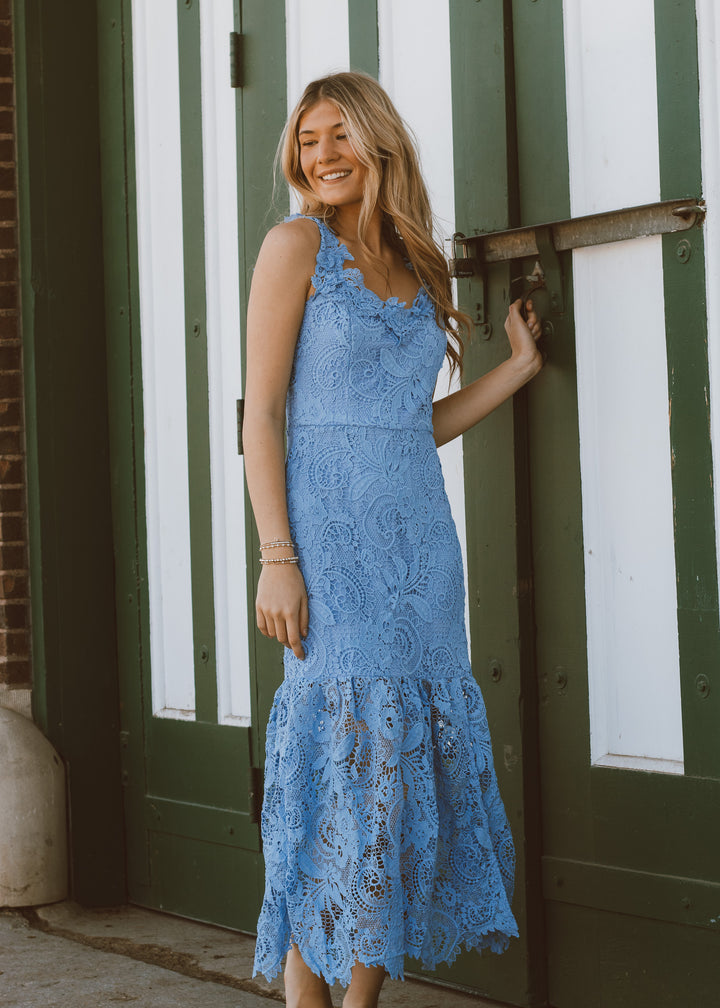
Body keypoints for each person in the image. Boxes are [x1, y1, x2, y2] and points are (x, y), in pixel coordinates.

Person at [243, 71, 543, 1008]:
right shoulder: (295, 247)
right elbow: (262, 416)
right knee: (341, 781)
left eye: (339, 135)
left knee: (398, 788)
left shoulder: (419, 263)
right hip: (327, 553)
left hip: (420, 554)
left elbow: (413, 425)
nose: (321, 155)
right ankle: (313, 997)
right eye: (307, 140)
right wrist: (277, 558)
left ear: (378, 141)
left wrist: (517, 369)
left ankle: (356, 998)